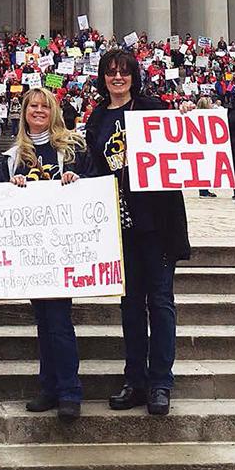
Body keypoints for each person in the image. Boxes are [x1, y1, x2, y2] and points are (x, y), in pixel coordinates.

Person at [85, 49, 191, 417]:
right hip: (119, 226)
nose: (117, 78)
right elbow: (93, 167)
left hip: (157, 224)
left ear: (134, 76)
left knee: (160, 304)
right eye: (111, 72)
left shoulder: (154, 109)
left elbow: (178, 145)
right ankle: (135, 380)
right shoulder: (97, 117)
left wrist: (186, 121)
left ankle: (160, 382)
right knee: (130, 306)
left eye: (124, 72)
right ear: (103, 77)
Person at [2, 87, 92, 422]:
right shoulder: (14, 155)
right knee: (43, 321)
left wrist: (75, 178)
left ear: (53, 111)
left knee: (59, 321)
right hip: (32, 250)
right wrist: (12, 186)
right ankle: (49, 387)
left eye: (44, 106)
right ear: (24, 112)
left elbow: (94, 182)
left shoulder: (72, 148)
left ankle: (69, 390)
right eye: (32, 106)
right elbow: (0, 193)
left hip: (62, 248)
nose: (38, 111)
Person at [196, 97, 217, 199]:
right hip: (204, 145)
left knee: (202, 169)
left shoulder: (194, 115)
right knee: (204, 168)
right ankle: (203, 191)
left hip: (199, 145)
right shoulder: (208, 116)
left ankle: (204, 190)